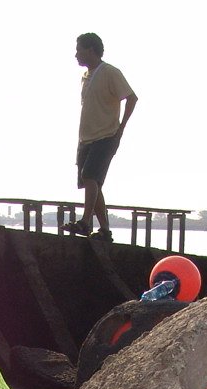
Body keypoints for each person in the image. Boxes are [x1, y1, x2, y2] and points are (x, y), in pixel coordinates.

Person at [62, 33, 137, 242]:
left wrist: (121, 128)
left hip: (106, 135)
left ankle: (85, 222)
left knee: (90, 176)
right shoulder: (86, 76)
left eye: (79, 49)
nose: (76, 54)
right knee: (91, 183)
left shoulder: (110, 72)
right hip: (86, 137)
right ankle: (105, 230)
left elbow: (131, 97)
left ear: (91, 50)